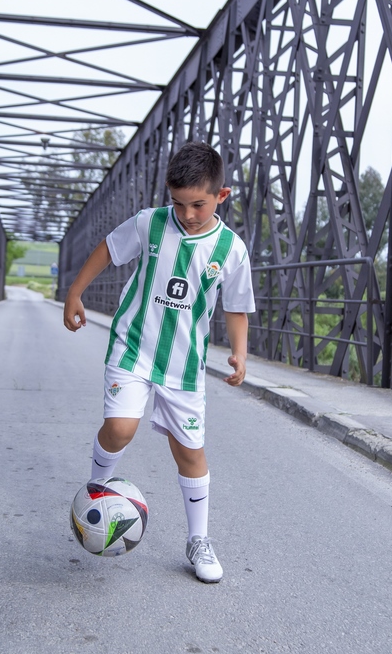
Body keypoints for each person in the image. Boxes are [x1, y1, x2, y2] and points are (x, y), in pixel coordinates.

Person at [63, 142, 255, 584]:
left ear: (221, 196)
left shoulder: (231, 248)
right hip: (133, 347)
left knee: (190, 453)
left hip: (184, 365)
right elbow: (109, 248)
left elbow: (237, 308)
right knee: (119, 428)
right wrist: (75, 291)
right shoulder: (150, 222)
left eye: (198, 205)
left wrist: (240, 353)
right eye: (178, 203)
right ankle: (94, 494)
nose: (187, 214)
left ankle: (198, 540)